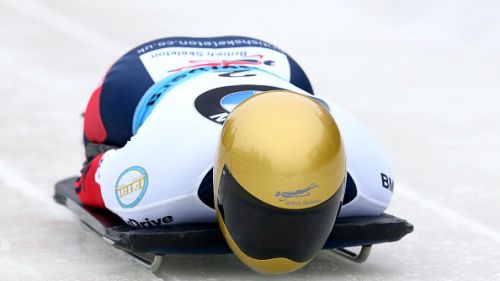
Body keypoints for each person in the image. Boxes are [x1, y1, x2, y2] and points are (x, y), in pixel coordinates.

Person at [75, 36, 394, 273]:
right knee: (100, 136)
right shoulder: (156, 186)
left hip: (275, 68)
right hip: (142, 79)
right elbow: (89, 179)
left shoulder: (372, 176)